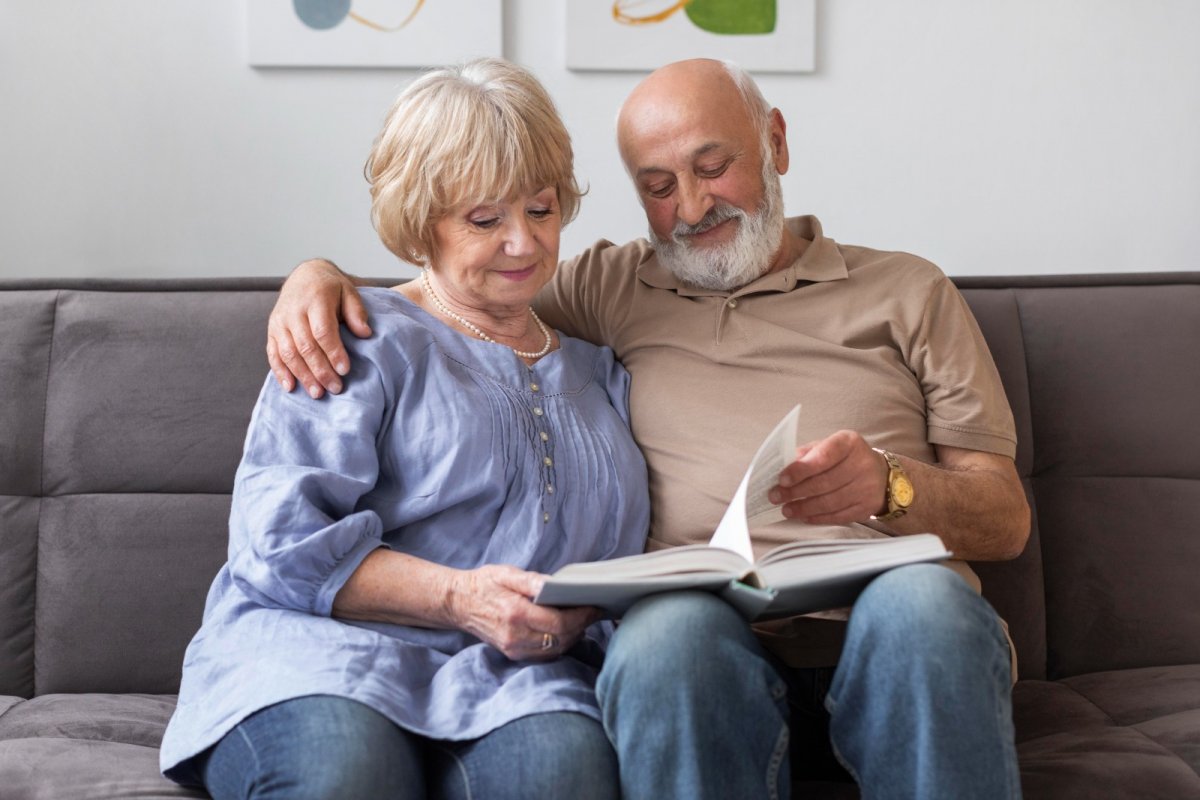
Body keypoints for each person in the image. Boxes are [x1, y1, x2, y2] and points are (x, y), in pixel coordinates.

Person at [268, 59, 1031, 799]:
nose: (693, 209)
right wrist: (317, 276)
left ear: (775, 141)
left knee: (922, 605)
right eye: (659, 188)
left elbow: (1004, 521)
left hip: (890, 626)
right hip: (706, 636)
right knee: (668, 637)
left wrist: (891, 487)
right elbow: (457, 282)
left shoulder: (908, 290)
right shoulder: (611, 286)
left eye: (713, 167)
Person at [158, 58, 649, 800]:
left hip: (511, 681)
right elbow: (281, 540)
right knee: (346, 775)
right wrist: (460, 597)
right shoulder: (354, 333)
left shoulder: (601, 369)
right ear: (423, 223)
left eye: (542, 210)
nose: (524, 243)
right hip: (322, 658)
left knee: (563, 774)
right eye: (485, 219)